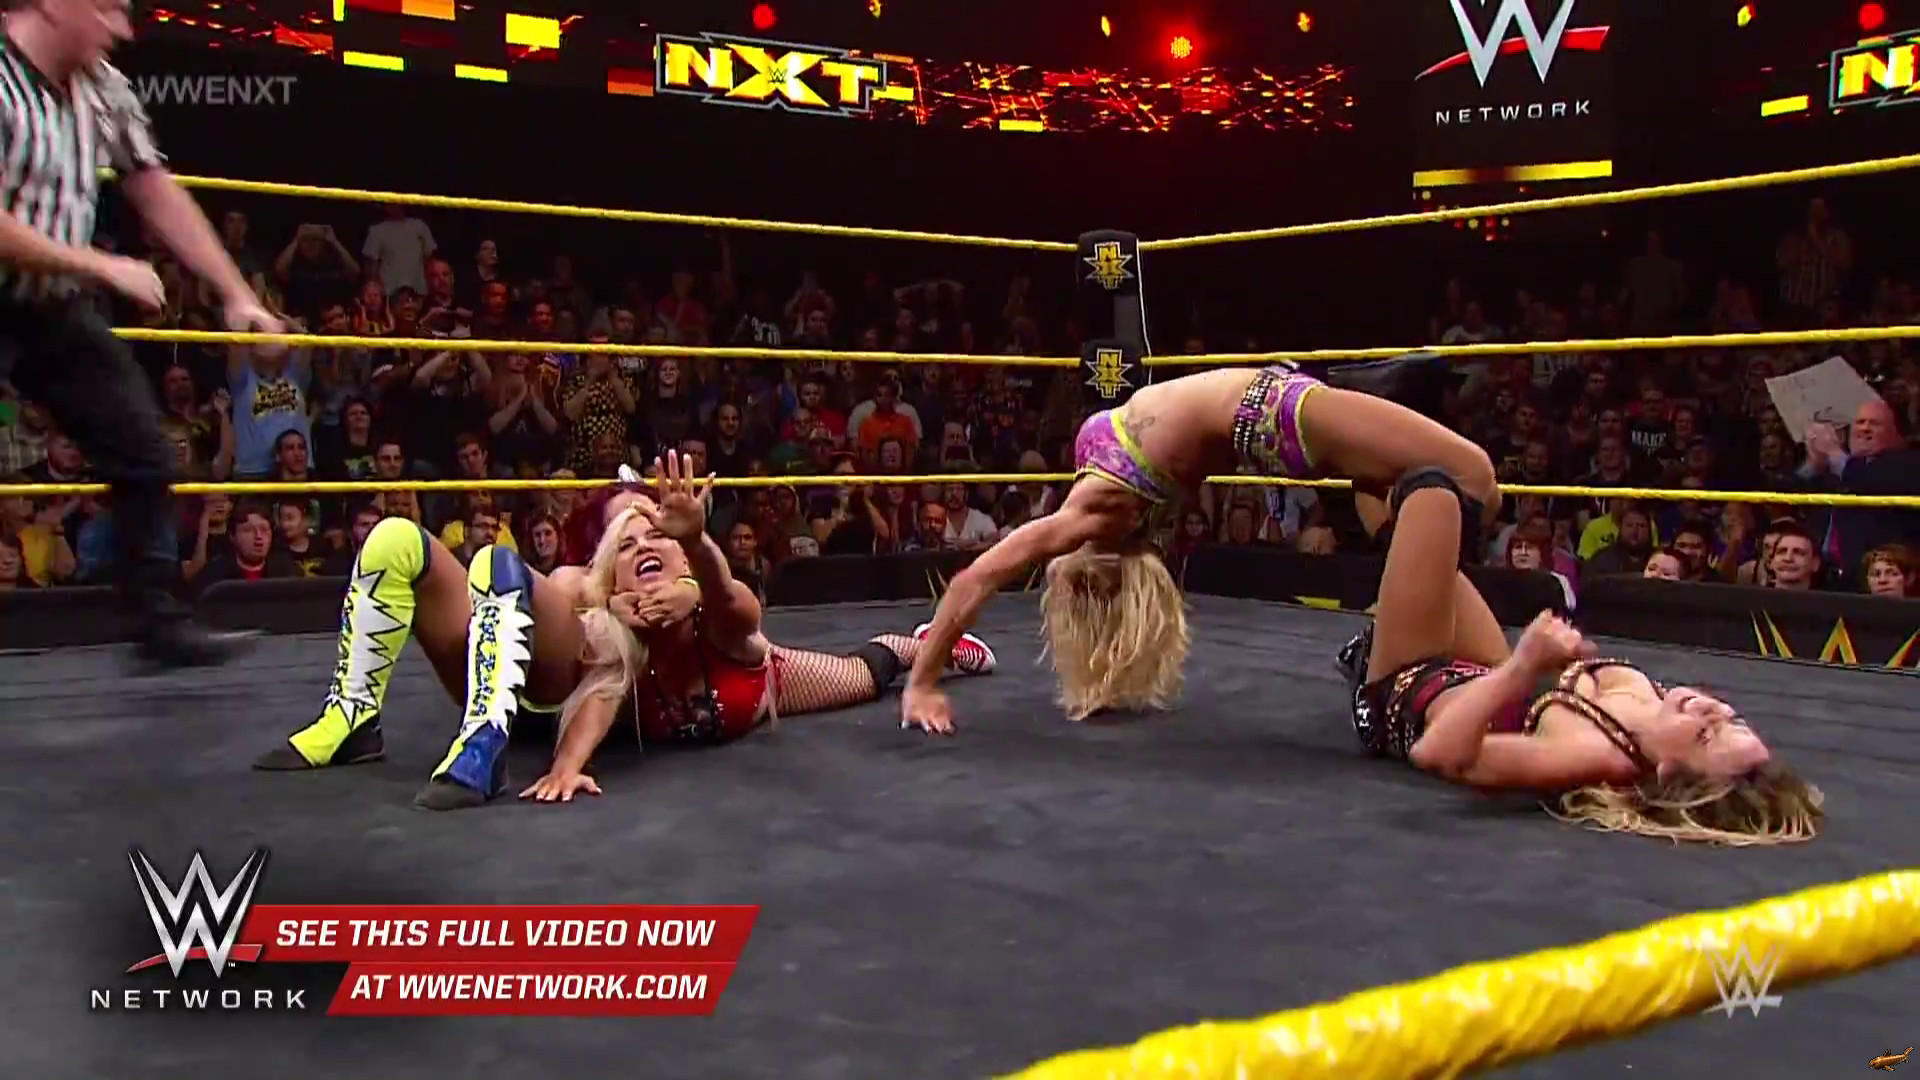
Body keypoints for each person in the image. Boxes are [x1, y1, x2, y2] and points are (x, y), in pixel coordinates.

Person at [255, 454, 995, 811]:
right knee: (399, 541)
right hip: (528, 689)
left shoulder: (723, 621)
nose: (643, 543)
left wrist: (696, 550)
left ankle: (930, 640)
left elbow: (734, 601)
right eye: (626, 540)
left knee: (869, 672)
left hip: (745, 682)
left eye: (657, 536)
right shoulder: (594, 608)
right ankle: (355, 719)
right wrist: (568, 762)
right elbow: (592, 653)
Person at [903, 360, 1497, 731]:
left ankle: (1399, 637)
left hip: (1269, 411)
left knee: (1444, 488)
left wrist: (922, 682)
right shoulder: (1100, 472)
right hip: (1268, 411)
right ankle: (1404, 630)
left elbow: (976, 577)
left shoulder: (1092, 513)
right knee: (1438, 489)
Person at [0, 0, 284, 664]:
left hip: (47, 304)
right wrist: (98, 263)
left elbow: (154, 187)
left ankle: (158, 621)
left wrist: (237, 294)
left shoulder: (102, 87)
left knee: (141, 445)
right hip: (41, 279)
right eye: (106, 9)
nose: (122, 30)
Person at [1336, 466, 1821, 845]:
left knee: (1433, 496)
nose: (1711, 710)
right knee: (1404, 511)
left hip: (1408, 689)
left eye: (1705, 733)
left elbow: (1437, 752)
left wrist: (1526, 664)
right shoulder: (1656, 719)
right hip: (1478, 668)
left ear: (1669, 774)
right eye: (1731, 718)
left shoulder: (1597, 756)